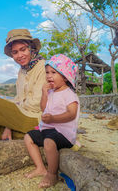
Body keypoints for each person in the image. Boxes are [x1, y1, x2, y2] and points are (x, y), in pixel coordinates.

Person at [24, 54, 80, 189]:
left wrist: (53, 118)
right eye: (47, 72)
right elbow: (43, 109)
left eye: (53, 73)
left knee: (49, 142)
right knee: (28, 137)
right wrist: (44, 92)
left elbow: (71, 114)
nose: (49, 76)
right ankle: (40, 167)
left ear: (65, 77)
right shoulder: (50, 92)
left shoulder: (69, 94)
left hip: (63, 134)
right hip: (48, 131)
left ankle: (52, 174)